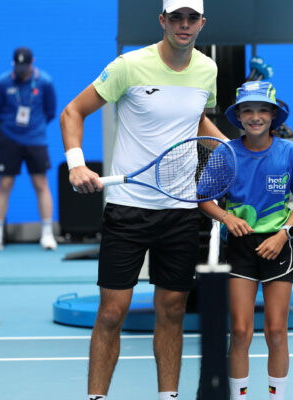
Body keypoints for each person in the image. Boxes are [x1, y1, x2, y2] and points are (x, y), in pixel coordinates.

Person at [60, 0, 226, 398]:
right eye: (176, 17)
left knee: (171, 312)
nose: (183, 25)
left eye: (191, 18)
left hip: (182, 211)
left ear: (202, 23)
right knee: (112, 313)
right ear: (163, 21)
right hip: (128, 209)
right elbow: (72, 112)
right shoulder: (128, 66)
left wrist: (231, 150)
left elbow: (197, 119)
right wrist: (76, 165)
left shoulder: (208, 70)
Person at [199, 81, 293, 400]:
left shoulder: (292, 153)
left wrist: (284, 234)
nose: (255, 116)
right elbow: (205, 200)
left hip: (278, 246)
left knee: (276, 332)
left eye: (262, 110)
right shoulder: (226, 153)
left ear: (273, 115)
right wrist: (227, 218)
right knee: (239, 332)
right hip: (240, 248)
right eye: (247, 110)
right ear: (238, 116)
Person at [0, 47, 57, 251]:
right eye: (18, 66)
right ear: (13, 65)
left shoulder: (45, 82)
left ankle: (47, 234)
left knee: (41, 183)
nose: (21, 70)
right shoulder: (2, 82)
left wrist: (34, 127)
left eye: (25, 66)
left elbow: (50, 111)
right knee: (4, 184)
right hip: (9, 139)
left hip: (36, 139)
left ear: (33, 62)